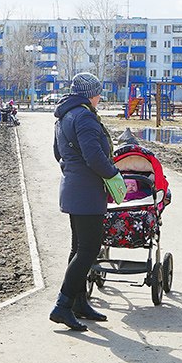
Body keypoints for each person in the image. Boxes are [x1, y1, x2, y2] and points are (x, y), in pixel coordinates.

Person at [49, 72, 126, 331]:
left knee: (78, 248)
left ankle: (79, 302)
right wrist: (114, 175)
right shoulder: (84, 117)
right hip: (87, 193)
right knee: (89, 249)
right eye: (98, 93)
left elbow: (58, 152)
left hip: (74, 189)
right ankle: (62, 305)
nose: (100, 97)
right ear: (90, 94)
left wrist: (72, 170)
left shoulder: (65, 116)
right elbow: (94, 157)